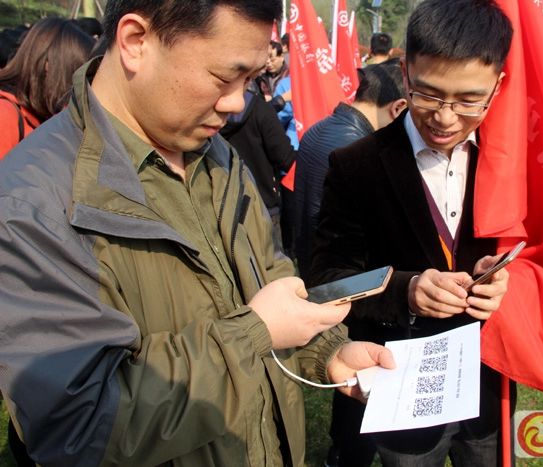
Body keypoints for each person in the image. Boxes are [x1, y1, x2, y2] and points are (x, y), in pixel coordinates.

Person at [0, 2, 394, 466]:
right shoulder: (33, 206)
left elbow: (268, 279)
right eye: (225, 76)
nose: (237, 103)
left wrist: (327, 350)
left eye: (250, 79)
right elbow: (78, 426)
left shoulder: (216, 155)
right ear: (136, 41)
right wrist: (253, 334)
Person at [310, 0, 514, 465]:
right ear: (405, 74)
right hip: (403, 390)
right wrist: (405, 290)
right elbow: (327, 282)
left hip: (488, 381)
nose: (445, 117)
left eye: (469, 100)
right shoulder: (356, 166)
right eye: (429, 95)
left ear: (497, 86)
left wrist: (507, 282)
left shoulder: (510, 163)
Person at [295, 59, 406, 467]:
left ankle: (340, 452)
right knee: (357, 384)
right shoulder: (356, 151)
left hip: (314, 268)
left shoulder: (319, 129)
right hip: (345, 283)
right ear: (398, 107)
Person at [0, 17, 94, 158]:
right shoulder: (5, 116)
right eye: (74, 75)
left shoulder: (43, 115)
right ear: (48, 66)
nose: (80, 88)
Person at [220, 85, 296, 252]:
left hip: (226, 205)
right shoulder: (260, 109)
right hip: (265, 204)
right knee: (274, 261)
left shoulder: (210, 114)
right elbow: (286, 158)